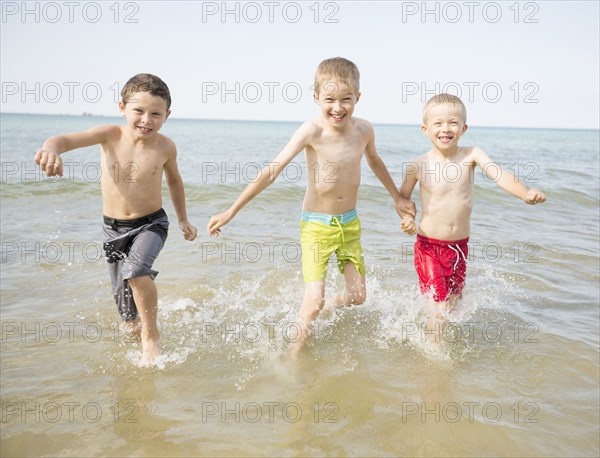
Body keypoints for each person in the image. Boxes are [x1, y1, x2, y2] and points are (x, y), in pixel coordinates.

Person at [207, 57, 416, 353]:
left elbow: (375, 161)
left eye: (346, 99)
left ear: (358, 96)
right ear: (316, 97)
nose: (338, 107)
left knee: (357, 297)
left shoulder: (364, 130)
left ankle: (332, 305)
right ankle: (294, 357)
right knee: (313, 300)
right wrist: (232, 210)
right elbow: (272, 170)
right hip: (317, 226)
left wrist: (397, 196)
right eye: (329, 99)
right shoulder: (311, 131)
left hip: (350, 224)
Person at [34, 73, 198, 367]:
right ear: (122, 107)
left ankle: (152, 337)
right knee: (127, 317)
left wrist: (183, 219)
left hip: (152, 224)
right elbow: (64, 139)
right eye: (139, 110)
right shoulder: (109, 134)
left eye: (155, 114)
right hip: (113, 229)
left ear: (167, 116)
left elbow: (174, 182)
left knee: (136, 271)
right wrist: (51, 149)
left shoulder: (165, 147)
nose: (146, 119)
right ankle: (138, 335)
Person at [399, 93, 545, 314]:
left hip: (459, 247)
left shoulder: (472, 155)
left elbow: (498, 174)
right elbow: (403, 200)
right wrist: (407, 219)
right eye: (438, 123)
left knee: (455, 301)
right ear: (425, 129)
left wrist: (524, 193)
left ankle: (441, 340)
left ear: (464, 128)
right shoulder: (417, 165)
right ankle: (433, 348)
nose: (445, 129)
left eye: (453, 123)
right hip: (429, 247)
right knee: (440, 306)